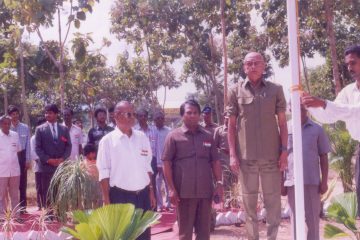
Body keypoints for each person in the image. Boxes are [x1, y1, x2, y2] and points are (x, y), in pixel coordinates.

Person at [227, 52, 288, 240]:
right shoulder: (234, 91)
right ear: (244, 67)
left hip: (272, 158)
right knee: (249, 207)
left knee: (273, 206)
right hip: (246, 159)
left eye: (256, 63)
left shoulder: (276, 89)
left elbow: (283, 124)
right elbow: (231, 125)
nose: (252, 66)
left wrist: (284, 151)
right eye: (249, 63)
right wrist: (232, 154)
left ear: (264, 66)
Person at [302, 45, 360, 216]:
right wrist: (309, 106)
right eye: (347, 64)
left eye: (353, 63)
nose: (349, 68)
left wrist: (324, 103)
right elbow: (329, 116)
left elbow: (354, 111)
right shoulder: (348, 91)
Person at [162, 99, 223, 240]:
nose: (193, 115)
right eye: (189, 112)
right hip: (184, 194)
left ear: (200, 115)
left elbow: (215, 161)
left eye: (196, 113)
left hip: (205, 192)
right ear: (182, 115)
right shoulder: (173, 136)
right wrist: (171, 189)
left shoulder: (208, 136)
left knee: (204, 233)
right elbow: (166, 163)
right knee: (185, 234)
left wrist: (219, 183)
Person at [96, 101, 156, 240]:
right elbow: (103, 173)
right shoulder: (107, 141)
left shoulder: (142, 137)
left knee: (144, 236)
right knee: (123, 236)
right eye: (128, 114)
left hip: (143, 197)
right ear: (116, 116)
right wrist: (106, 199)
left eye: (133, 114)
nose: (132, 117)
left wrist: (151, 190)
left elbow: (147, 166)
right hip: (120, 197)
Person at [282, 104, 330, 240]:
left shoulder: (317, 129)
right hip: (292, 182)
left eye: (302, 108)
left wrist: (324, 181)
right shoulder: (285, 129)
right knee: (295, 220)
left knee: (313, 220)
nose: (300, 111)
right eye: (296, 108)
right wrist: (281, 182)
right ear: (291, 108)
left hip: (311, 182)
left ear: (307, 109)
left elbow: (324, 157)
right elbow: (280, 157)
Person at [35, 104, 72, 207]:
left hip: (61, 166)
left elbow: (68, 146)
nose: (47, 115)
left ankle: (60, 213)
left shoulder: (64, 129)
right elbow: (37, 148)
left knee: (60, 190)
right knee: (47, 191)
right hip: (46, 167)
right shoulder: (40, 129)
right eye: (46, 113)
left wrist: (62, 159)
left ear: (56, 114)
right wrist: (48, 160)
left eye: (50, 113)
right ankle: (49, 215)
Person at [7, 105, 31, 212]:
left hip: (21, 156)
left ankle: (22, 207)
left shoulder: (25, 127)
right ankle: (11, 207)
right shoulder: (6, 127)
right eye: (12, 114)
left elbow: (28, 144)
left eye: (16, 114)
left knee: (22, 183)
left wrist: (27, 160)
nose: (15, 116)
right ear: (9, 116)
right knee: (9, 183)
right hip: (9, 157)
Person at [134, 108, 158, 209]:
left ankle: (153, 207)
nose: (143, 118)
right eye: (140, 116)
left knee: (152, 183)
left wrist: (159, 162)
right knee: (141, 183)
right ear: (137, 117)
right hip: (138, 161)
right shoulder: (134, 130)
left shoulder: (154, 130)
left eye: (144, 116)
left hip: (152, 160)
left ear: (147, 117)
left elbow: (157, 147)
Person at [0, 115, 22, 216]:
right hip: (1, 171)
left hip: (14, 171)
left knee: (14, 195)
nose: (7, 125)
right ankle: (2, 217)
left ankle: (16, 215)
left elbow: (18, 150)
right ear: (1, 124)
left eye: (9, 123)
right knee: (1, 196)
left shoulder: (15, 135)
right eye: (5, 123)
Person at [153, 111, 171, 212]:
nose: (159, 120)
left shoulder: (169, 131)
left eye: (161, 118)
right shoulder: (152, 131)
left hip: (167, 163)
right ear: (154, 120)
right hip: (155, 164)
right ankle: (159, 205)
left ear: (164, 120)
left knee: (168, 184)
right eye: (157, 118)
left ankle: (168, 204)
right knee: (157, 185)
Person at [30, 117, 46, 210]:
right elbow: (33, 152)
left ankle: (47, 204)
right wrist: (42, 161)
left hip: (48, 166)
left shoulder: (48, 136)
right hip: (38, 166)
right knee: (39, 186)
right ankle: (39, 205)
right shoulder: (33, 138)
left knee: (46, 186)